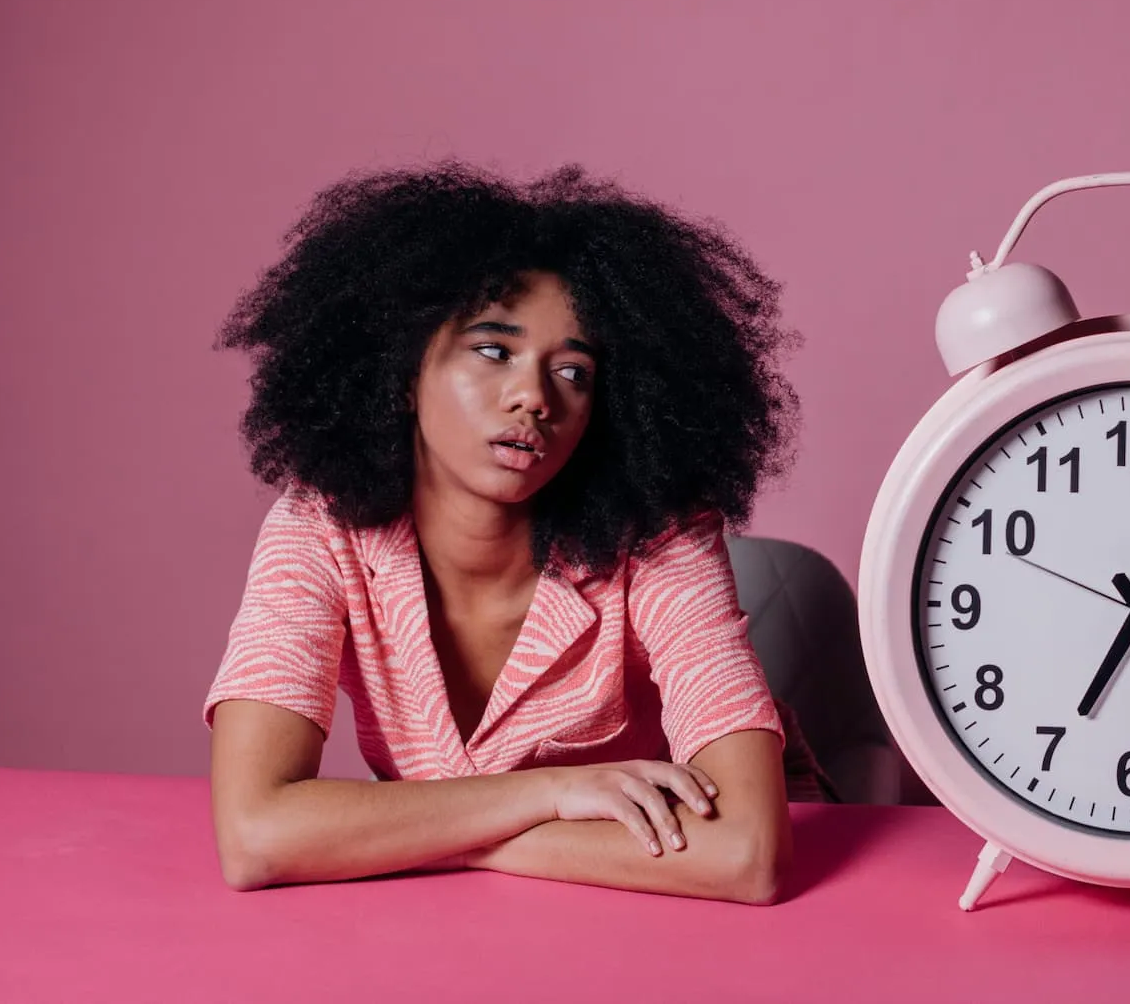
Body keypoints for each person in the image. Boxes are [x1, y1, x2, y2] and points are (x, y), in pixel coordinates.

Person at [205, 162, 827, 902]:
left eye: (572, 373)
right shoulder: (322, 526)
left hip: (683, 894)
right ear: (405, 371)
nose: (532, 397)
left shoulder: (661, 537)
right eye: (493, 351)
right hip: (516, 902)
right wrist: (550, 793)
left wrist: (442, 835)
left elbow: (748, 853)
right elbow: (255, 834)